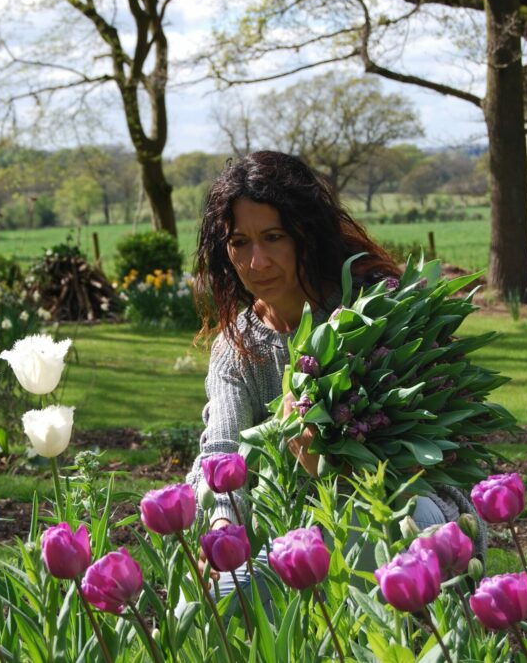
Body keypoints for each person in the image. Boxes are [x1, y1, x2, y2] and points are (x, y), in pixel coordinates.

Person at [185, 151, 485, 594]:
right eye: (239, 243)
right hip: (293, 526)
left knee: (389, 525)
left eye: (273, 237)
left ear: (306, 234)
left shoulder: (377, 311)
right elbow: (222, 453)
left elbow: (437, 448)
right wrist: (222, 517)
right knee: (223, 594)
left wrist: (331, 459)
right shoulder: (237, 348)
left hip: (411, 506)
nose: (257, 262)